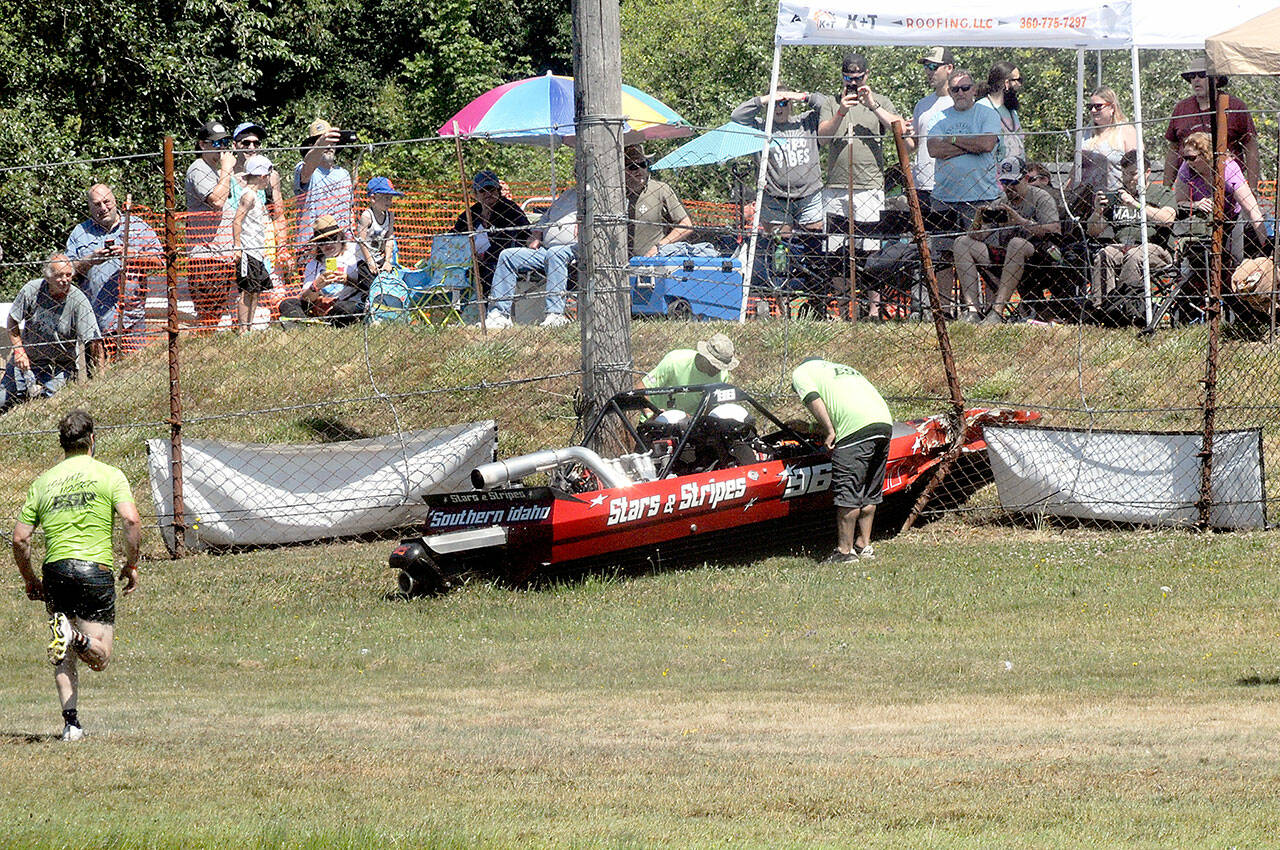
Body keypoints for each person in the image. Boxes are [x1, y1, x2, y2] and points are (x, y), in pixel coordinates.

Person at [12, 409, 141, 742]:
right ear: (92, 440)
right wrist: (132, 563)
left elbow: (20, 539)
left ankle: (71, 725)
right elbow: (131, 521)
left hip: (55, 571)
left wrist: (30, 580)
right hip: (94, 570)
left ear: (62, 444)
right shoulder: (110, 475)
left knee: (63, 654)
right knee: (99, 658)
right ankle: (75, 636)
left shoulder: (43, 482)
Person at [790, 357, 892, 563]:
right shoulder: (842, 369)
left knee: (848, 491)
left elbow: (813, 399)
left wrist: (828, 431)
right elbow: (845, 410)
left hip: (855, 430)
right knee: (870, 490)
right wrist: (809, 428)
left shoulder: (801, 372)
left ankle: (845, 552)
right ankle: (864, 545)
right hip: (883, 424)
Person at [817, 52, 911, 252]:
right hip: (836, 186)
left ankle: (868, 285)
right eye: (848, 79)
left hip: (869, 186)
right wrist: (841, 111)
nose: (854, 83)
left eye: (858, 78)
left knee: (868, 250)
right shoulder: (831, 103)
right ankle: (839, 284)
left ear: (867, 75)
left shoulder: (880, 101)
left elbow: (900, 129)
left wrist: (872, 105)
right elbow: (823, 138)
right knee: (835, 252)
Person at [953, 156, 1060, 323]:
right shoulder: (1001, 202)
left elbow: (1054, 229)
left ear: (1025, 178)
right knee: (961, 242)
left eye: (1013, 183)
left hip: (1039, 255)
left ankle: (997, 311)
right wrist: (978, 220)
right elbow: (979, 236)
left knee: (1016, 243)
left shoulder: (1041, 197)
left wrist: (1019, 220)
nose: (1008, 188)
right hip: (1007, 256)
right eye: (1004, 183)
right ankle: (973, 310)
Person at [65, 183, 163, 349]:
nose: (103, 208)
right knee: (98, 374)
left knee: (135, 371)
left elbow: (160, 261)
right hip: (94, 322)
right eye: (97, 204)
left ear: (115, 201)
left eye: (107, 202)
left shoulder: (137, 226)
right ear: (89, 208)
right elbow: (66, 272)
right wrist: (91, 260)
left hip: (131, 319)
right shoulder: (80, 232)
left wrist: (130, 255)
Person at [1, 255, 104, 413]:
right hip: (27, 360)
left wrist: (101, 379)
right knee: (2, 400)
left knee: (50, 409)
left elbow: (95, 340)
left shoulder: (78, 301)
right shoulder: (32, 290)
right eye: (59, 275)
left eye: (68, 275)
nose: (65, 280)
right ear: (48, 277)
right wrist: (19, 350)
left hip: (59, 367)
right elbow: (12, 321)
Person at [1085, 150, 1177, 322]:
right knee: (1104, 254)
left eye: (1134, 174)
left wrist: (1135, 204)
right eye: (1125, 174)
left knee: (1135, 256)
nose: (1129, 179)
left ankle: (1129, 310)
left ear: (1147, 172)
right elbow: (1093, 231)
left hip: (1156, 249)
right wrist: (1097, 211)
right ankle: (1103, 309)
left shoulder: (1161, 193)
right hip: (1123, 247)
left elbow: (1168, 219)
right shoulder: (1118, 195)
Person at [731, 82, 834, 234]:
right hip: (775, 199)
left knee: (814, 245)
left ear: (790, 105)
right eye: (774, 104)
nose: (779, 108)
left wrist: (799, 96)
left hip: (809, 196)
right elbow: (737, 116)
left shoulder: (806, 122)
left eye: (783, 103)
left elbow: (828, 106)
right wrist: (764, 99)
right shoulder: (761, 128)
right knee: (781, 247)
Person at [486, 188, 579, 329]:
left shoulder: (594, 195)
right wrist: (536, 234)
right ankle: (499, 314)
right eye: (576, 171)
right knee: (507, 256)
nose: (578, 174)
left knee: (555, 253)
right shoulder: (567, 194)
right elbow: (545, 218)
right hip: (546, 250)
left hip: (576, 249)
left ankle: (554, 315)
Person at [1163, 56, 1259, 190]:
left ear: (1216, 78)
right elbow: (1173, 149)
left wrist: (1252, 188)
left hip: (1228, 183)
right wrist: (1166, 188)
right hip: (1189, 185)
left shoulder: (1235, 106)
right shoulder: (1182, 108)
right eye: (1192, 76)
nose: (1196, 79)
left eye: (1202, 75)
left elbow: (1251, 146)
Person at [1173, 131, 1269, 261]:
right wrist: (1196, 204)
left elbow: (1252, 209)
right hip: (1202, 224)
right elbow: (1179, 202)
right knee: (1193, 266)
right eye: (1185, 158)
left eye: (1192, 158)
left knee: (1234, 260)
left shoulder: (1228, 169)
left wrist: (1267, 247)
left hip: (1231, 219)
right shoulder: (1186, 169)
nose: (1188, 162)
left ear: (1207, 155)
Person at [926, 69, 1001, 232]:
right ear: (949, 92)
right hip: (944, 199)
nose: (960, 92)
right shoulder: (938, 118)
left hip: (983, 198)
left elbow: (987, 144)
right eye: (955, 89)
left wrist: (952, 139)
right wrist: (973, 147)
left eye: (965, 88)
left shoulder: (988, 115)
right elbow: (934, 149)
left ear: (973, 89)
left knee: (984, 251)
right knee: (943, 254)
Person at [183, 120, 237, 328]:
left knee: (217, 315)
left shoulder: (215, 170)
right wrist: (227, 170)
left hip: (221, 254)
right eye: (216, 144)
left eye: (225, 142)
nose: (222, 148)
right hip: (205, 257)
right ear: (202, 145)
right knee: (208, 316)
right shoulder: (198, 169)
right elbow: (216, 201)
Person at [277, 214, 370, 326]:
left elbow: (368, 286)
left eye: (332, 238)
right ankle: (302, 325)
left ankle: (325, 321)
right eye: (322, 241)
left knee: (346, 308)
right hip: (320, 306)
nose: (328, 244)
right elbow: (306, 299)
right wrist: (316, 286)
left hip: (347, 304)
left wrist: (347, 280)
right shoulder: (313, 264)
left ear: (340, 237)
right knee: (288, 303)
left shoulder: (355, 253)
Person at [452, 170, 531, 298]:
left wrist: (484, 256)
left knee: (485, 272)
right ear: (475, 194)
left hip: (498, 261)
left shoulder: (509, 210)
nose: (488, 194)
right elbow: (454, 234)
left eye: (492, 190)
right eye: (483, 191)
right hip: (469, 261)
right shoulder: (472, 213)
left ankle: (486, 309)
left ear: (498, 191)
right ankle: (457, 308)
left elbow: (512, 239)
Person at [231, 121, 291, 281]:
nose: (252, 147)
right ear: (235, 145)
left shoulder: (271, 176)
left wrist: (282, 248)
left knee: (272, 297)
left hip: (265, 248)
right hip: (237, 248)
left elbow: (278, 216)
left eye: (256, 143)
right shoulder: (226, 176)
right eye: (246, 142)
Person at [231, 155, 276, 332]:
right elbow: (236, 221)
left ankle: (249, 327)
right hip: (247, 250)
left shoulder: (257, 196)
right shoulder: (249, 195)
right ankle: (243, 329)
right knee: (246, 291)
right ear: (262, 176)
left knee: (256, 290)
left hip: (257, 251)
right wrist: (237, 246)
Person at [640, 333, 738, 414]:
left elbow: (711, 408)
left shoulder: (722, 375)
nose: (718, 371)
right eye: (715, 366)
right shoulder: (675, 361)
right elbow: (641, 387)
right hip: (657, 420)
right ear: (705, 357)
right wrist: (650, 414)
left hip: (688, 425)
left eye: (721, 367)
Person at [910, 47, 956, 219]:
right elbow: (912, 146)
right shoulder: (922, 105)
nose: (928, 72)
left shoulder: (959, 102)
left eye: (933, 67)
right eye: (926, 67)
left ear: (948, 68)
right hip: (922, 185)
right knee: (923, 241)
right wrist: (904, 135)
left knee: (948, 242)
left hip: (950, 185)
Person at [624, 145, 695, 256]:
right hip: (622, 265)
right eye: (633, 166)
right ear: (623, 169)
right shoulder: (616, 194)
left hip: (653, 264)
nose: (639, 170)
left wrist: (660, 247)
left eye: (643, 164)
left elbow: (686, 225)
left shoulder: (660, 190)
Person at [294, 119, 354, 249]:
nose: (328, 146)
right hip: (311, 248)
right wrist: (321, 143)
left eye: (331, 142)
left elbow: (350, 212)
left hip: (340, 246)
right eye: (324, 141)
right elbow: (307, 167)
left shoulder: (344, 174)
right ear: (312, 145)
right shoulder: (305, 169)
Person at [1072, 87, 1137, 192]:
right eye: (1090, 107)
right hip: (1084, 199)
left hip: (1116, 197)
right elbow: (1075, 170)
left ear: (1112, 108)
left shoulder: (1126, 131)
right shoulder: (1085, 133)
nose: (1093, 110)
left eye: (1098, 106)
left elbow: (1137, 169)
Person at [356, 177, 403, 277]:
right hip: (364, 260)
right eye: (386, 198)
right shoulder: (367, 216)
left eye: (390, 198)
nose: (389, 202)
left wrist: (388, 261)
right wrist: (370, 262)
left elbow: (390, 238)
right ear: (373, 198)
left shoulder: (390, 216)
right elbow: (361, 240)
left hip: (380, 259)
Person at [977, 61, 1024, 162]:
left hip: (1016, 173)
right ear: (1006, 83)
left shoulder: (1011, 110)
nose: (1019, 84)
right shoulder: (981, 108)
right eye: (1018, 80)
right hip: (991, 173)